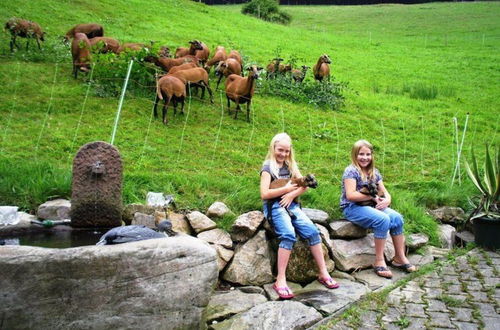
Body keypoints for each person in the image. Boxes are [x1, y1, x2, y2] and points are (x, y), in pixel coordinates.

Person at [260, 132, 338, 299]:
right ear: (273, 148)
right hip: (274, 205)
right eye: (280, 150)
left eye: (287, 151)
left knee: (312, 231)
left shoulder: (290, 166)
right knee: (288, 234)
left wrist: (291, 194)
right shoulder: (268, 168)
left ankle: (323, 272)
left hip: (291, 204)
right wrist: (286, 190)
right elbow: (264, 193)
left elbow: (305, 185)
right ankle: (280, 279)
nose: (283, 154)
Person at [340, 139, 416, 278]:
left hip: (370, 205)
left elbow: (384, 191)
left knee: (397, 218)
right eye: (361, 154)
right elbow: (351, 195)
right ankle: (379, 261)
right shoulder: (350, 171)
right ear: (354, 155)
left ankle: (399, 257)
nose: (365, 157)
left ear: (372, 155)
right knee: (382, 219)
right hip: (353, 207)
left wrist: (387, 199)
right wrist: (372, 198)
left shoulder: (374, 172)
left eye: (368, 154)